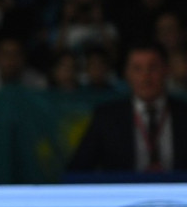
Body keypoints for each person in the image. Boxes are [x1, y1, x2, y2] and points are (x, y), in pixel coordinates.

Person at [68, 44, 187, 174]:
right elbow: (77, 170)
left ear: (166, 70)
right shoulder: (107, 117)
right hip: (123, 192)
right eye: (137, 69)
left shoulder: (183, 114)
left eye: (153, 68)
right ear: (127, 74)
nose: (145, 77)